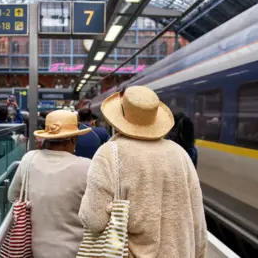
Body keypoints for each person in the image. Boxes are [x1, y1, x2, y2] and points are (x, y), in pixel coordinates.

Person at [79, 86, 207, 258]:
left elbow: (94, 220)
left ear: (119, 117)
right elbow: (198, 222)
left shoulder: (109, 153)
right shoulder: (180, 154)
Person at [8, 110, 92, 257]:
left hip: (34, 250)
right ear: (73, 140)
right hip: (77, 251)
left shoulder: (29, 159)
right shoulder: (87, 167)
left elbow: (12, 196)